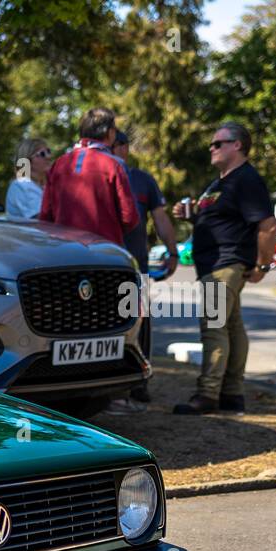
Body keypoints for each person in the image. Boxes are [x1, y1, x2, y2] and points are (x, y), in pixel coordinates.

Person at [172, 122, 276, 415]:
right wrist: (192, 217)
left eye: (218, 143)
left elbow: (268, 226)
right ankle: (232, 394)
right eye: (211, 144)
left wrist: (263, 264)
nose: (211, 148)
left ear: (238, 145)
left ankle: (207, 395)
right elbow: (222, 220)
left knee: (213, 328)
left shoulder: (246, 179)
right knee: (231, 327)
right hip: (215, 264)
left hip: (225, 264)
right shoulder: (221, 183)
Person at [107, 128, 179, 413]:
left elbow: (160, 218)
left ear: (124, 148)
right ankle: (110, 387)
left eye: (116, 146)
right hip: (105, 268)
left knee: (141, 326)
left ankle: (139, 382)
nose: (111, 151)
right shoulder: (98, 177)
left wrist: (172, 251)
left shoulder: (142, 180)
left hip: (137, 268)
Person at [38, 107, 138, 245]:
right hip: (104, 251)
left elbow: (45, 215)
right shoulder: (114, 165)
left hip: (64, 251)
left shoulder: (58, 164)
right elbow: (129, 217)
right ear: (109, 132)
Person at [5, 138, 52, 219]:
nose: (48, 157)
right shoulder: (21, 185)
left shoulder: (43, 185)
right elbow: (43, 219)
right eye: (42, 154)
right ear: (27, 161)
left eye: (48, 151)